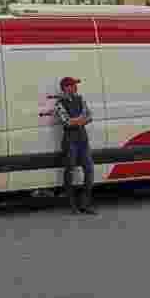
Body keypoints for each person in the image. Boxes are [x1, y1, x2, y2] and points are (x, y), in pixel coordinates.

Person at [53, 77, 97, 215]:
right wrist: (80, 120)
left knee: (89, 170)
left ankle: (85, 204)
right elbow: (66, 122)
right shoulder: (59, 103)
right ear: (66, 87)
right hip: (70, 141)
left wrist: (76, 120)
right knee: (70, 171)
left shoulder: (80, 99)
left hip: (82, 139)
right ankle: (72, 205)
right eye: (73, 85)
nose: (76, 87)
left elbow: (89, 116)